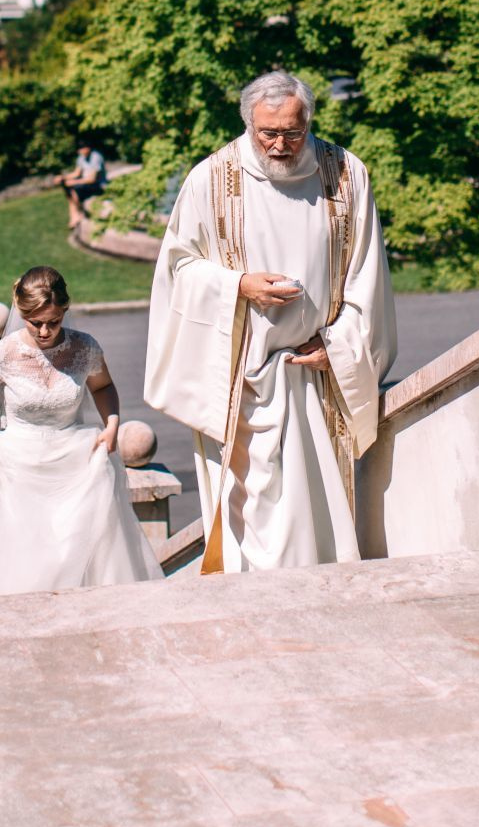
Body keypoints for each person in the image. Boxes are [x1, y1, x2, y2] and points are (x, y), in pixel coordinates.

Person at [147, 69, 396, 573]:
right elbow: (178, 269)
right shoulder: (211, 180)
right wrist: (237, 286)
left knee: (320, 516)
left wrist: (343, 346)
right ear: (248, 124)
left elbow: (368, 272)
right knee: (249, 519)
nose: (281, 145)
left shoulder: (345, 174)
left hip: (317, 373)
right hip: (240, 379)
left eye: (293, 132)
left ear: (309, 121)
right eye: (269, 133)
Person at [0, 265, 160, 600]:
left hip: (72, 455)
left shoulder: (84, 348)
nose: (46, 331)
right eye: (36, 323)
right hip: (17, 458)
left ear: (64, 311)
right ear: (22, 314)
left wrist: (111, 425)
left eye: (54, 321)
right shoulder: (5, 354)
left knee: (79, 539)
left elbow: (103, 386)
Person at [59, 138, 108, 228]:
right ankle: (75, 216)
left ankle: (77, 214)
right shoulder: (81, 158)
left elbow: (92, 179)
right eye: (79, 149)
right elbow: (76, 173)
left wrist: (74, 182)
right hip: (87, 184)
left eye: (82, 148)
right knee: (68, 189)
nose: (80, 151)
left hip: (98, 185)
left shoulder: (96, 157)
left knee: (74, 189)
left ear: (88, 148)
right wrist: (62, 177)